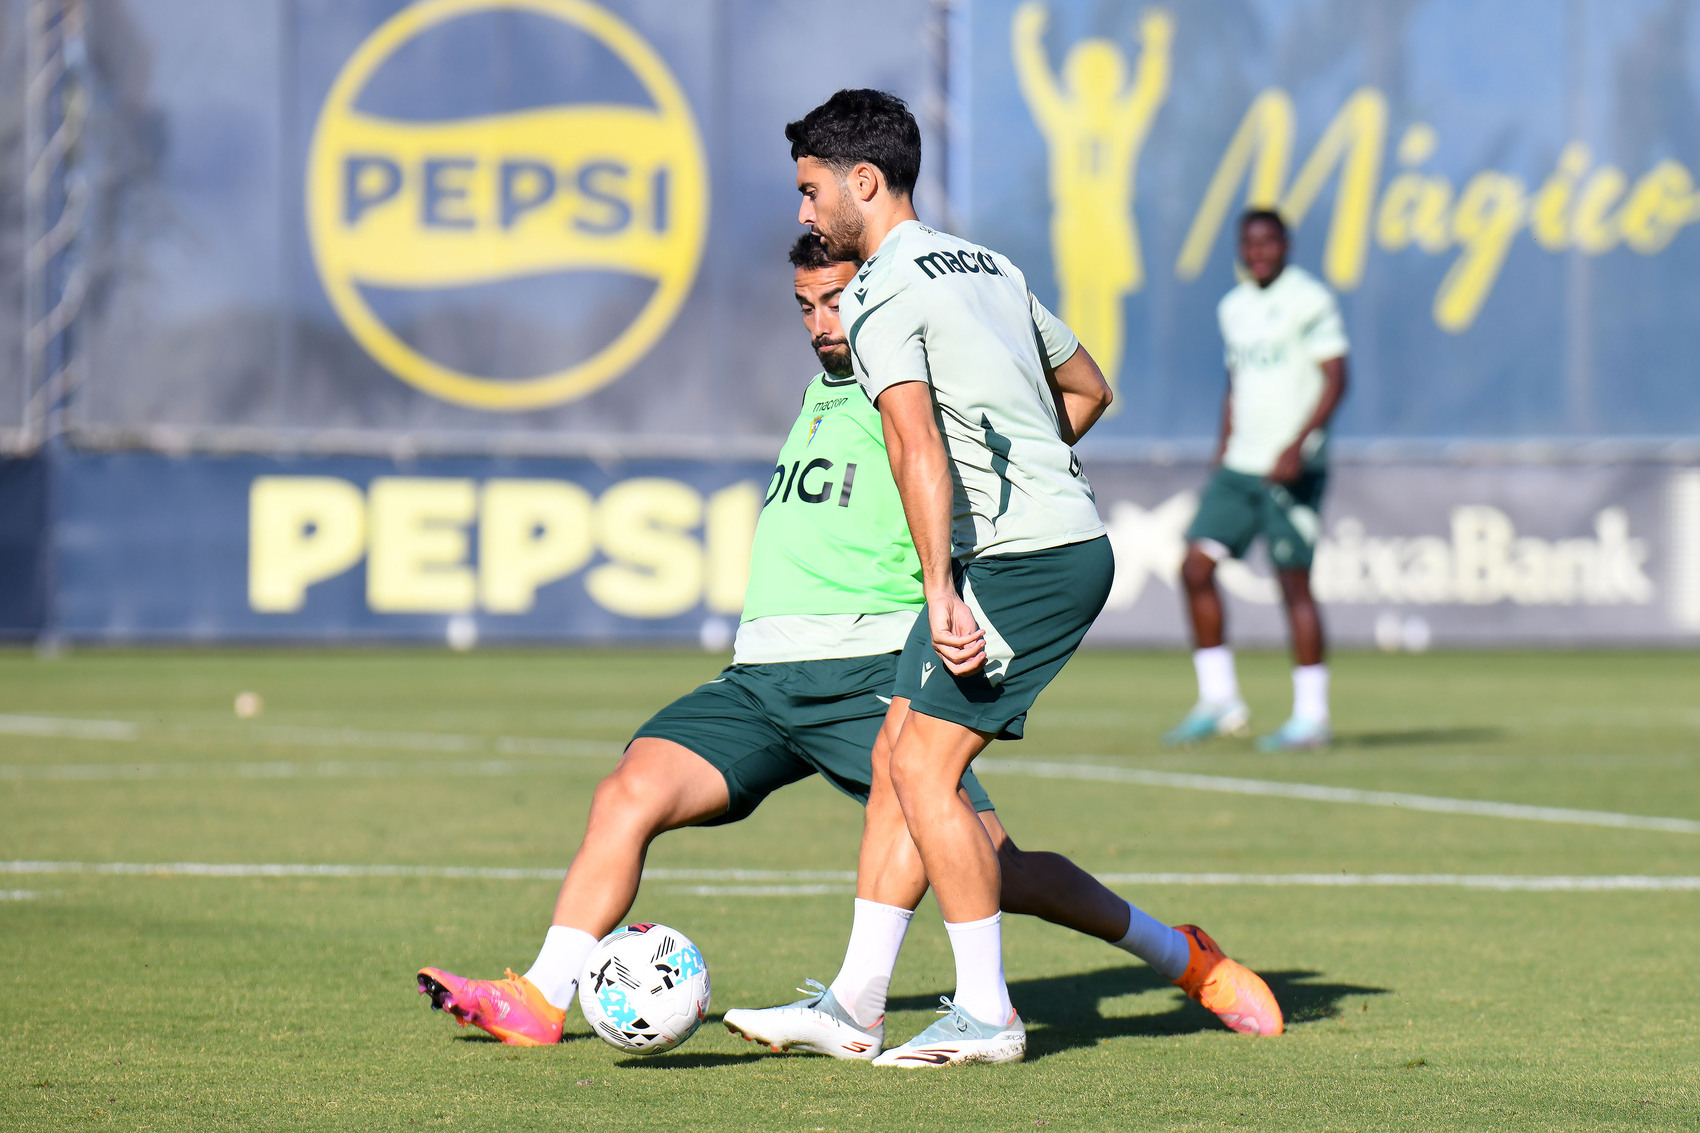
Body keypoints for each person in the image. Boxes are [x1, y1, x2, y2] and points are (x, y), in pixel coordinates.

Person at [414, 234, 1284, 1053]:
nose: (822, 323)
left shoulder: (911, 379)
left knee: (994, 867)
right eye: (806, 305)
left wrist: (1001, 490)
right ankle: (541, 995)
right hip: (760, 678)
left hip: (870, 668)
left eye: (835, 301)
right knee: (626, 792)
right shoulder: (823, 387)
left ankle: (1183, 955)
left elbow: (1078, 395)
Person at [779, 87, 1125, 1067]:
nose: (804, 211)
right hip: (1044, 539)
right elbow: (1088, 388)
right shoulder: (986, 264)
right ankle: (854, 1002)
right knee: (898, 748)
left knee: (927, 770)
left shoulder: (882, 289)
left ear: (862, 180)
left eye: (810, 190)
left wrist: (940, 585)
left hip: (1024, 560)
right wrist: (1028, 471)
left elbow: (913, 442)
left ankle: (987, 1010)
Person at [1163, 209, 1349, 751]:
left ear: (1286, 245)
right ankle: (1220, 699)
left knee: (1293, 583)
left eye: (1268, 242)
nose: (1258, 252)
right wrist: (1224, 446)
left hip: (1292, 467)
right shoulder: (1234, 307)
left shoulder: (1309, 299)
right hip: (1240, 466)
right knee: (1195, 567)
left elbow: (1336, 379)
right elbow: (1236, 382)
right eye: (1249, 243)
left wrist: (1297, 445)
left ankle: (1312, 717)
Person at [1012, 2, 1173, 397]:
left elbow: (1149, 91)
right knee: (1076, 298)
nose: (1094, 82)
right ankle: (1076, 385)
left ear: (1115, 79)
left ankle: (1105, 384)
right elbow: (1036, 83)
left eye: (1102, 75)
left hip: (1111, 220)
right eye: (1087, 74)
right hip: (1074, 220)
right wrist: (1025, 39)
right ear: (1075, 77)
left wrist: (1156, 47)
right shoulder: (1065, 116)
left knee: (1105, 301)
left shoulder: (1123, 119)